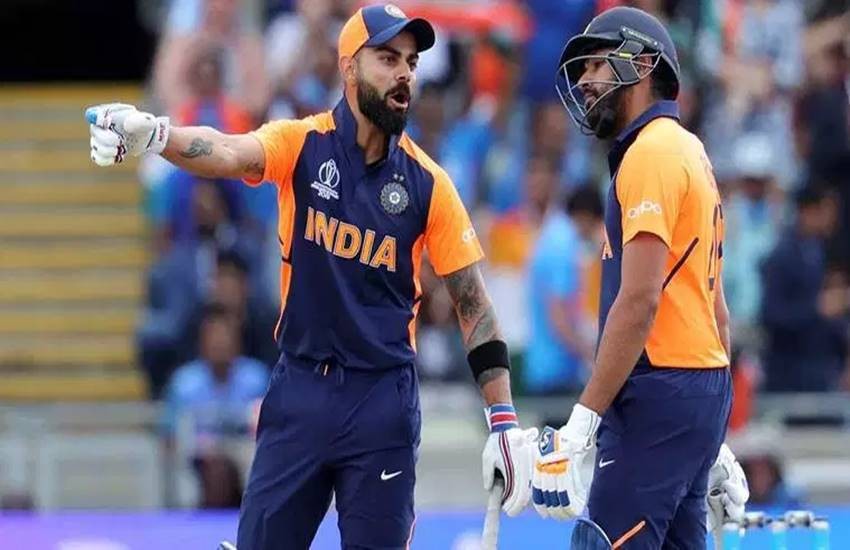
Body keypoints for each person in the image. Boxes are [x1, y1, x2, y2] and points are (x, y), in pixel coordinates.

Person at [86, 4, 538, 549]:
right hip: (301, 387)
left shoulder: (428, 183)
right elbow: (228, 150)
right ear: (349, 67)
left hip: (382, 401)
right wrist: (158, 135)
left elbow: (473, 305)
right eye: (387, 59)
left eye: (411, 63)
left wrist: (503, 419)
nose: (404, 74)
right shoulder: (302, 144)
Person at [531, 7, 747, 548]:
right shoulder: (691, 150)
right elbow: (715, 309)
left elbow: (641, 300)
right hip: (697, 387)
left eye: (596, 64)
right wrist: (710, 434)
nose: (584, 81)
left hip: (657, 388)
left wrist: (583, 419)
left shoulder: (650, 153)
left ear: (643, 64)